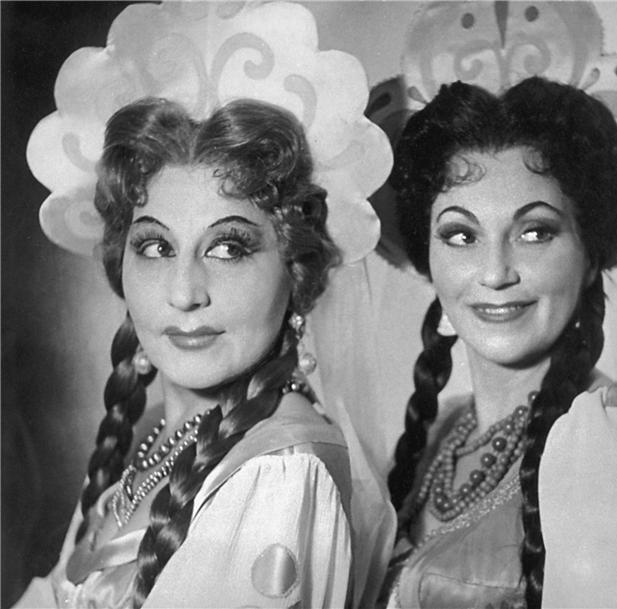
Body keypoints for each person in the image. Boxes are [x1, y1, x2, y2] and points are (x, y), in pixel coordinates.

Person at [16, 3, 394, 607]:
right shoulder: (148, 439)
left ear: (294, 272)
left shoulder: (279, 469)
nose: (185, 291)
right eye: (155, 246)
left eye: (228, 248)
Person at [382, 77, 617, 608]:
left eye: (534, 232)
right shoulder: (440, 431)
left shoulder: (616, 441)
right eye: (461, 235)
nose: (495, 273)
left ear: (590, 256)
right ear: (429, 256)